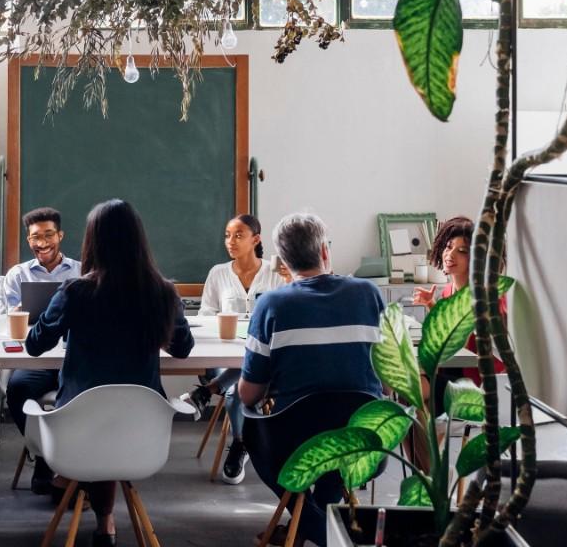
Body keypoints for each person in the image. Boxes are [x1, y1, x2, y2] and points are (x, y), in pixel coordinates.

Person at [26, 199, 194, 547]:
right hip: (141, 435)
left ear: (92, 241)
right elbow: (183, 348)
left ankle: (98, 513)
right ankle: (106, 521)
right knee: (113, 412)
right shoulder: (162, 292)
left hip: (77, 436)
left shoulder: (76, 291)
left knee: (94, 408)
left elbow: (35, 345)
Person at [238, 213, 384, 547]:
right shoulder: (369, 294)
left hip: (295, 443)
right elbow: (387, 378)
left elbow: (250, 393)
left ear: (283, 262)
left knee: (255, 426)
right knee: (335, 437)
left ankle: (323, 532)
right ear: (324, 251)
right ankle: (314, 522)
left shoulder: (272, 304)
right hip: (363, 441)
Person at [183, 214, 285, 485]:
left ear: (256, 239)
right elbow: (205, 317)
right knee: (240, 379)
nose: (231, 241)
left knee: (241, 380)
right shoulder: (218, 273)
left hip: (266, 358)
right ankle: (241, 443)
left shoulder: (277, 274)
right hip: (228, 351)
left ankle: (208, 393)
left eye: (239, 235)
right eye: (228, 235)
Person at [0, 206, 81, 495]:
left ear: (60, 235)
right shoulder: (16, 275)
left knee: (78, 395)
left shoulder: (81, 272)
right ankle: (45, 460)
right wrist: (17, 314)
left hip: (73, 358)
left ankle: (73, 465)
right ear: (28, 239)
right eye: (36, 237)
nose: (43, 242)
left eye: (49, 235)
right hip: (35, 358)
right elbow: (3, 323)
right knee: (18, 388)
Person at [412, 216, 506, 387]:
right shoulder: (449, 291)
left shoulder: (488, 297)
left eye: (462, 251)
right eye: (448, 247)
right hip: (451, 370)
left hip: (475, 382)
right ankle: (426, 414)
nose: (450, 254)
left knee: (414, 385)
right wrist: (432, 305)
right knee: (410, 378)